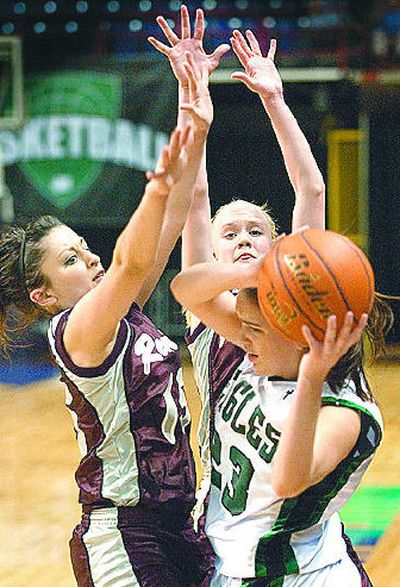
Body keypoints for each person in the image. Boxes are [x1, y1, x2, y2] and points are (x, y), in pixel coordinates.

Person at [0, 59, 214, 587]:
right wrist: (155, 189)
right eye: (71, 260)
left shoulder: (124, 313)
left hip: (178, 524)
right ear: (42, 295)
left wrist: (196, 116)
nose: (91, 260)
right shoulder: (74, 331)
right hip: (124, 534)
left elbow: (177, 213)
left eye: (86, 249)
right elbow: (130, 263)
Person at [149, 6, 324, 530]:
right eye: (230, 234)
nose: (244, 238)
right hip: (225, 508)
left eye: (256, 232)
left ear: (279, 244)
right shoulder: (208, 311)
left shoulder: (297, 299)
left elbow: (310, 189)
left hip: (298, 497)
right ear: (214, 254)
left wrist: (274, 100)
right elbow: (194, 194)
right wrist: (191, 100)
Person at [170, 249, 393, 586]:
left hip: (298, 576)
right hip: (231, 566)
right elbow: (185, 290)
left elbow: (288, 481)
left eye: (253, 329)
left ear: (300, 336)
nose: (240, 337)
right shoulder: (266, 354)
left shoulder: (344, 413)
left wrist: (310, 378)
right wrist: (249, 273)